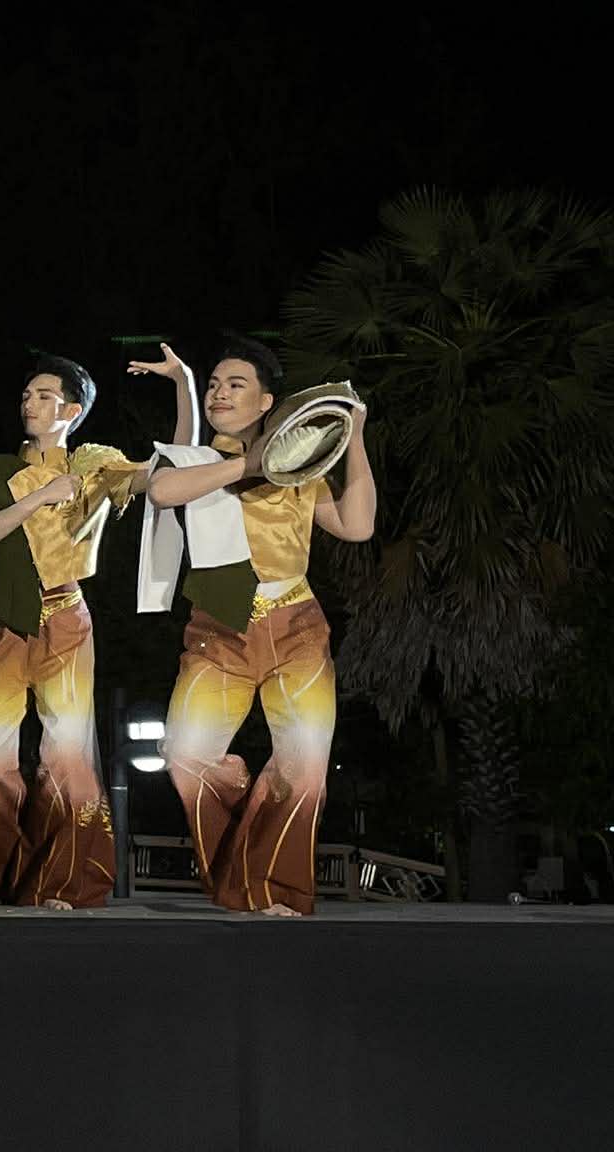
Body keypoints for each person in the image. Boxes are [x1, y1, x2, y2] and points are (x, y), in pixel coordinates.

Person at [135, 335, 375, 916]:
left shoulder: (300, 468)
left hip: (297, 626)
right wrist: (250, 462)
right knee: (185, 755)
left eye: (235, 385)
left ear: (267, 401)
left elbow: (357, 526)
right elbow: (161, 491)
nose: (220, 393)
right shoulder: (196, 460)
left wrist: (353, 438)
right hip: (220, 631)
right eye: (214, 385)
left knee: (305, 767)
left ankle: (275, 891)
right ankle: (249, 830)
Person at [0, 349, 196, 908]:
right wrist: (38, 498)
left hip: (66, 617)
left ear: (71, 410)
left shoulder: (94, 466)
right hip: (3, 623)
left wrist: (184, 386)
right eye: (27, 395)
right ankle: (16, 876)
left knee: (66, 756)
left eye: (44, 396)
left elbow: (170, 473)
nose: (30, 403)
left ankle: (65, 881)